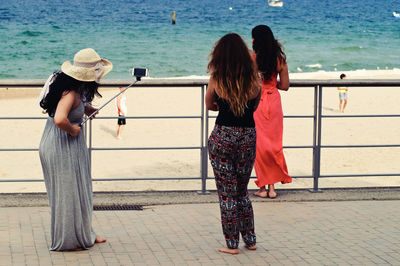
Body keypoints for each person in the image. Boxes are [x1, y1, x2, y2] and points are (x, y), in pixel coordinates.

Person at [38, 48, 112, 251]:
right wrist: (72, 130)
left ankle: (84, 233)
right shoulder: (70, 93)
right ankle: (70, 241)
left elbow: (68, 110)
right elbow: (60, 118)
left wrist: (86, 109)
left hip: (67, 144)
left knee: (79, 189)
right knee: (67, 193)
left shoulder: (76, 90)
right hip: (59, 145)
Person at [206, 33, 261, 254]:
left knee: (227, 194)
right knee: (242, 191)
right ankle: (250, 239)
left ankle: (231, 244)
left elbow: (209, 104)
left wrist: (224, 105)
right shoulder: (254, 78)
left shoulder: (217, 78)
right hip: (248, 136)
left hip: (223, 136)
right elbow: (255, 106)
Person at [251, 25, 292, 199]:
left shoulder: (253, 58)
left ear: (257, 40)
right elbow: (285, 86)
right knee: (274, 144)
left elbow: (249, 83)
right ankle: (272, 188)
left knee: (260, 146)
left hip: (257, 103)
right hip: (274, 101)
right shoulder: (279, 59)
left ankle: (262, 187)